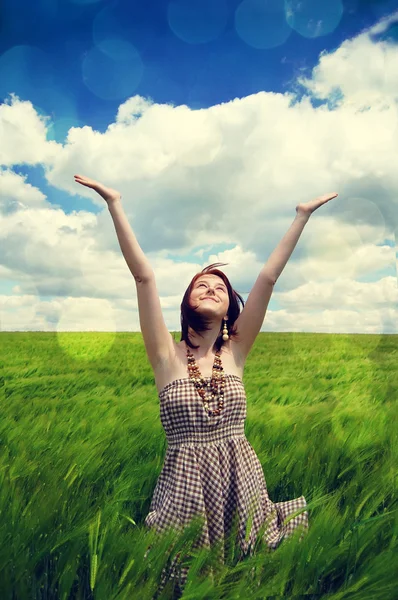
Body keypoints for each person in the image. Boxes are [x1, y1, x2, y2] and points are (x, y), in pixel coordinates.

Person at [74, 174, 338, 596]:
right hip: (185, 486)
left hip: (240, 479)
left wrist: (301, 218)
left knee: (246, 571)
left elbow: (267, 279)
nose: (212, 288)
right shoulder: (165, 356)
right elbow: (144, 278)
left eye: (220, 287)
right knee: (184, 578)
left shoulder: (235, 351)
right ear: (188, 303)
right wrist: (115, 204)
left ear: (230, 307)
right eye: (202, 285)